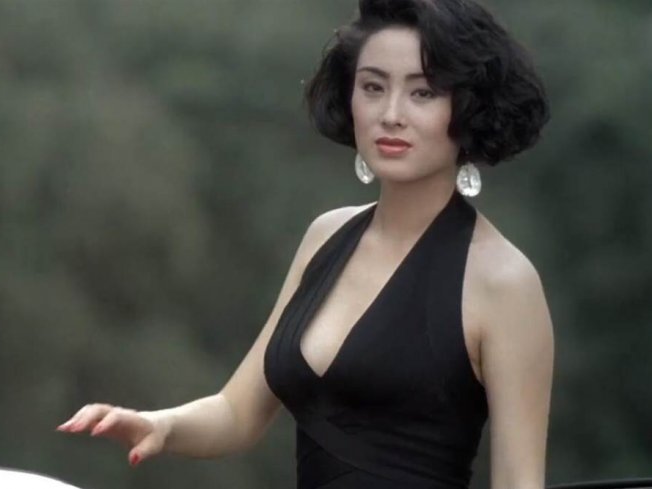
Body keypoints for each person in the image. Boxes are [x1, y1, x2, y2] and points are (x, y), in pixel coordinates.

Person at [58, 1, 554, 488]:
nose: (391, 114)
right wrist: (159, 426)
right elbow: (236, 412)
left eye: (423, 92)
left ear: (468, 107)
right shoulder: (326, 236)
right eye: (373, 87)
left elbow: (519, 481)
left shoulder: (503, 282)